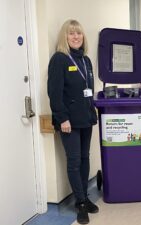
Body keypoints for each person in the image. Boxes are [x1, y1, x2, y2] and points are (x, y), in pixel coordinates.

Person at [47, 19, 99, 224]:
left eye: (79, 33)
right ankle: (80, 203)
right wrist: (62, 118)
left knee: (85, 158)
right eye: (71, 33)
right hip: (69, 121)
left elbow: (88, 90)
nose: (76, 37)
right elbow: (55, 93)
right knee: (74, 161)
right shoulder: (59, 59)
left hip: (85, 118)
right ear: (65, 37)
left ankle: (85, 196)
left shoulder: (85, 60)